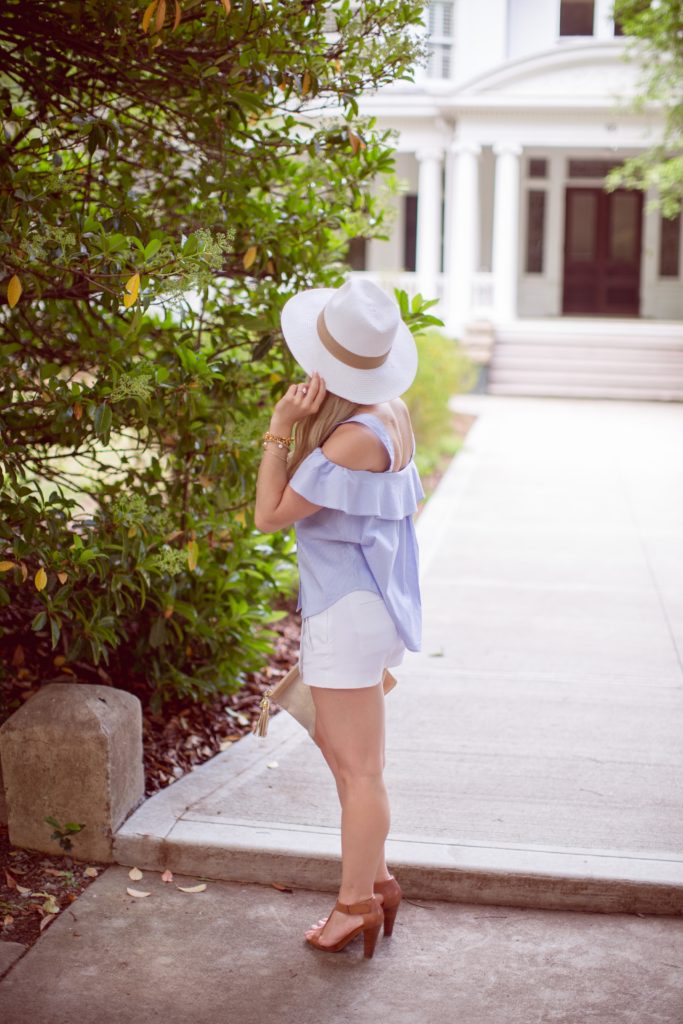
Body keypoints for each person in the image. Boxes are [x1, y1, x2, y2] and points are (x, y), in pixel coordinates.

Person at [254, 276, 424, 959]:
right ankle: (375, 880)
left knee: (359, 772)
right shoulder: (391, 410)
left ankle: (355, 903)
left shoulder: (353, 438)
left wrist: (278, 428)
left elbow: (269, 515)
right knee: (341, 752)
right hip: (361, 605)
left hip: (347, 611)